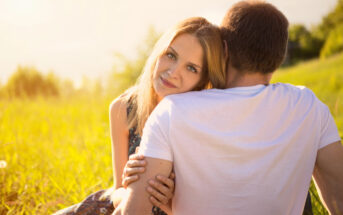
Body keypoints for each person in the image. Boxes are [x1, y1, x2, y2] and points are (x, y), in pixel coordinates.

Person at [113, 1, 343, 214]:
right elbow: (338, 197)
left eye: (192, 68)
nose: (174, 73)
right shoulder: (308, 106)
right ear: (279, 58)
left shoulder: (172, 111)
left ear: (223, 51)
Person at [53, 17, 226, 215]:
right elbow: (116, 190)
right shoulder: (123, 108)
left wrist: (169, 203)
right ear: (158, 53)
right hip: (119, 206)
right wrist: (132, 188)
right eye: (170, 55)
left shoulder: (201, 123)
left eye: (191, 68)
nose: (173, 72)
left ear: (202, 80)